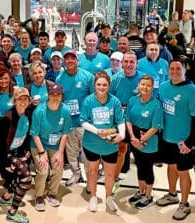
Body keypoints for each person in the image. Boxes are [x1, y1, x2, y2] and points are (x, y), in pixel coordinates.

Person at [157, 59, 195, 220]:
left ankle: (184, 204)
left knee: (183, 171)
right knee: (171, 166)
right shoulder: (163, 87)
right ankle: (172, 194)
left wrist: (190, 143)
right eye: (172, 68)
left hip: (183, 142)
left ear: (185, 70)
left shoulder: (193, 92)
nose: (175, 71)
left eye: (179, 68)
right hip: (167, 138)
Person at [80, 71, 125, 212]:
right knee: (92, 171)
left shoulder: (115, 101)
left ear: (109, 86)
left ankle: (109, 197)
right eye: (98, 84)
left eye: (104, 84)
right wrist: (96, 131)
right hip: (91, 143)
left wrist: (121, 135)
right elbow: (83, 121)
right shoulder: (88, 101)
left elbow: (120, 121)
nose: (101, 87)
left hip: (109, 145)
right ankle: (93, 197)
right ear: (94, 85)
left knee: (110, 174)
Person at [30, 84, 72, 211]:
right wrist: (42, 153)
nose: (55, 97)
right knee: (43, 170)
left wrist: (60, 153)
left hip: (55, 145)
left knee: (58, 167)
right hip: (39, 145)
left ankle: (52, 193)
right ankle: (39, 195)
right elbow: (35, 135)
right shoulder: (39, 111)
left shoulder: (65, 111)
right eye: (53, 94)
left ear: (61, 96)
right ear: (48, 95)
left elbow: (65, 134)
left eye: (58, 95)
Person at [56, 50, 94, 187]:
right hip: (68, 122)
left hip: (84, 122)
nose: (70, 61)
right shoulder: (60, 78)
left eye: (73, 58)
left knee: (87, 152)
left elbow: (93, 99)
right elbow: (59, 100)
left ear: (77, 61)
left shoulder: (87, 76)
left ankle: (90, 178)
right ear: (64, 61)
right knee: (71, 151)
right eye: (67, 59)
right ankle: (76, 174)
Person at [0, 87, 32, 223]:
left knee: (20, 177)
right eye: (20, 99)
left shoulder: (28, 114)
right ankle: (12, 213)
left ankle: (7, 196)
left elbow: (25, 135)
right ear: (14, 100)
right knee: (26, 179)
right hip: (7, 155)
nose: (23, 102)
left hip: (18, 153)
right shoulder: (6, 118)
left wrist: (26, 150)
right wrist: (5, 163)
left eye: (25, 99)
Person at [110, 51, 145, 193]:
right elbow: (110, 100)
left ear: (137, 63)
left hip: (139, 120)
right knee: (121, 150)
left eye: (132, 62)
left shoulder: (143, 79)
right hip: (121, 120)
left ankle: (144, 187)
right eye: (126, 61)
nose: (129, 65)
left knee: (141, 155)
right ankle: (115, 179)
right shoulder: (116, 79)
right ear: (122, 63)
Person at [126, 75, 163, 209]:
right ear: (138, 85)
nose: (145, 87)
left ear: (153, 88)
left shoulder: (156, 104)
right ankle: (140, 191)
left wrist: (141, 141)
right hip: (134, 139)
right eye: (142, 84)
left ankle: (148, 195)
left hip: (149, 142)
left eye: (148, 85)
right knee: (139, 166)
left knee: (147, 169)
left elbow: (155, 127)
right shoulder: (133, 100)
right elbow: (128, 120)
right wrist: (133, 138)